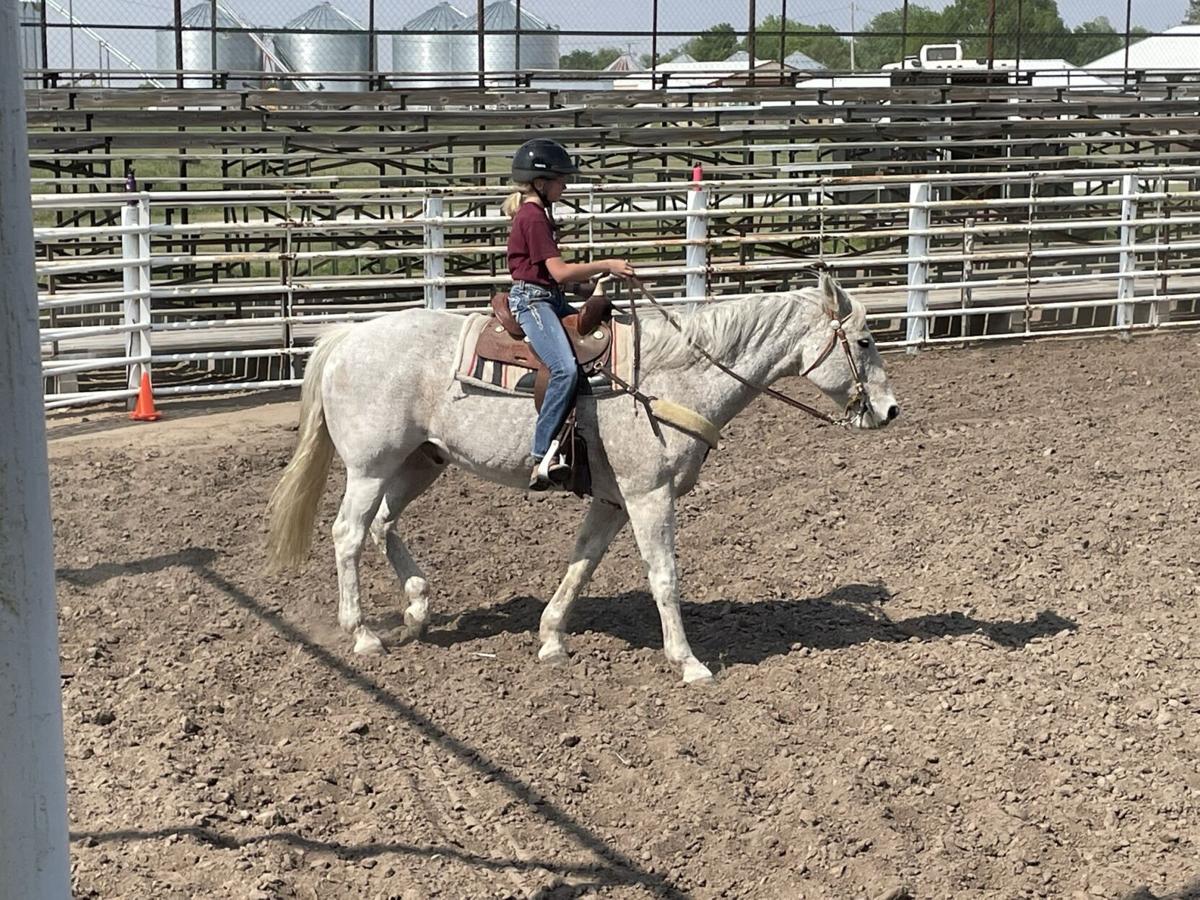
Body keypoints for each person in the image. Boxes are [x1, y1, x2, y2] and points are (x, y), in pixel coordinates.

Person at [503, 138, 636, 491]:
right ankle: (542, 451)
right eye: (562, 179)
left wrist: (588, 285)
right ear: (541, 183)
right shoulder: (533, 218)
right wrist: (606, 263)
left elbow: (549, 276)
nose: (566, 185)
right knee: (563, 368)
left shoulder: (536, 214)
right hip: (533, 302)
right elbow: (559, 272)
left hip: (547, 296)